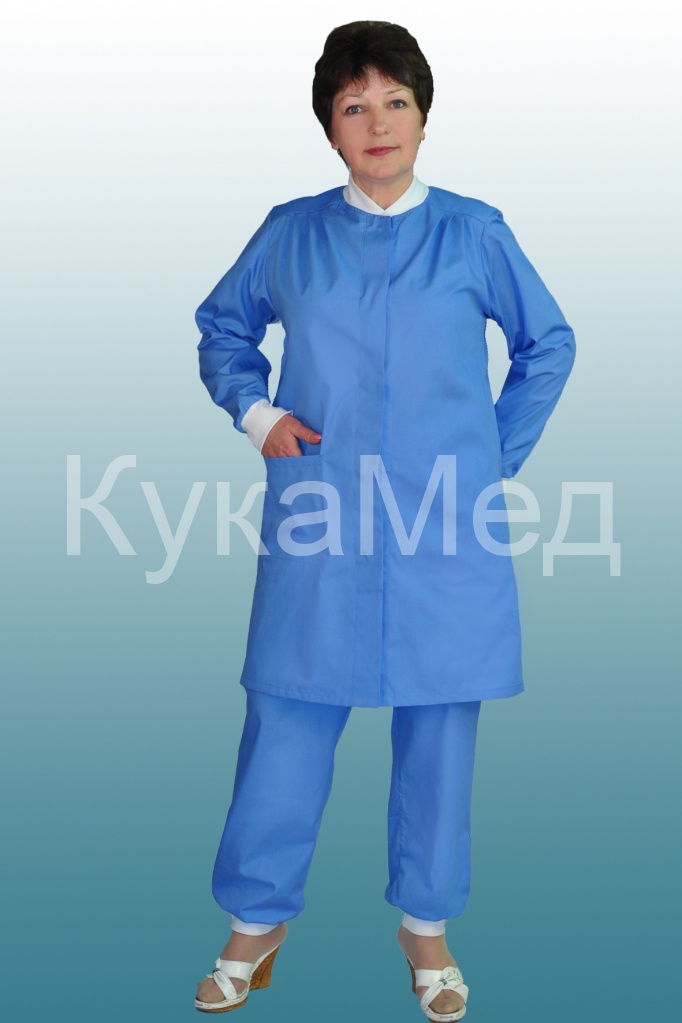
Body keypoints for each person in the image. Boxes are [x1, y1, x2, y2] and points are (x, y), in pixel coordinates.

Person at [193, 20, 576, 1021]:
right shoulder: (290, 234)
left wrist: (491, 456)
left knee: (440, 729)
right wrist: (258, 414)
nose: (377, 123)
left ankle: (425, 927)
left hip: (446, 526)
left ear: (423, 114)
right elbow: (222, 327)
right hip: (319, 517)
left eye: (395, 101)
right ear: (329, 127)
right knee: (287, 715)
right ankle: (255, 921)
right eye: (353, 105)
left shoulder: (474, 233)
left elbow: (548, 343)